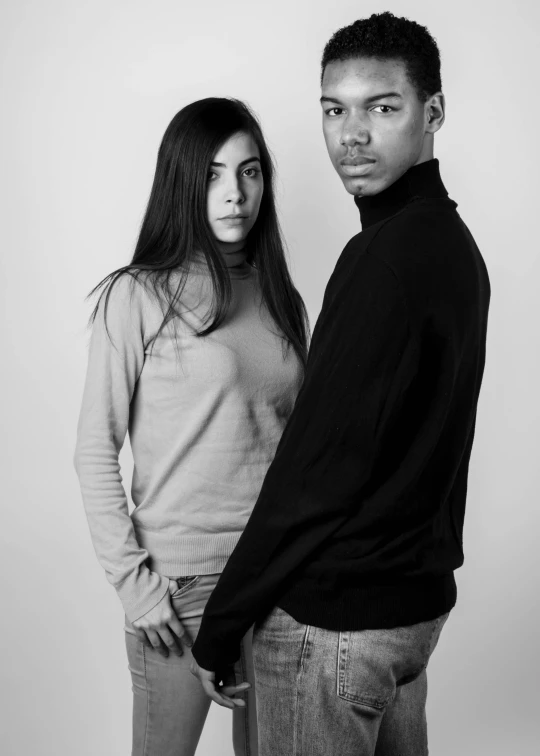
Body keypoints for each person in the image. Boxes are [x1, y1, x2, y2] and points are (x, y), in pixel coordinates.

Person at [190, 12, 491, 756]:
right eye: (334, 109)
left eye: (381, 107)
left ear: (433, 113)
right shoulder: (452, 246)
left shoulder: (384, 261)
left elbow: (316, 472)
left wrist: (224, 620)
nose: (351, 133)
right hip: (408, 616)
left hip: (339, 628)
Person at [73, 97, 308, 756]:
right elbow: (94, 450)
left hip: (278, 582)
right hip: (182, 591)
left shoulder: (281, 297)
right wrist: (136, 588)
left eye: (251, 171)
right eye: (211, 173)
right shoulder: (138, 295)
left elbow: (299, 449)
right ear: (182, 181)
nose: (235, 192)